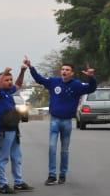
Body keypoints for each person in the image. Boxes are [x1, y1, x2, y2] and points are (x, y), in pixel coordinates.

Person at [24, 56, 97, 185]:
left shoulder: (77, 85)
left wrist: (91, 77)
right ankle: (52, 175)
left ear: (72, 73)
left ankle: (62, 174)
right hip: (54, 120)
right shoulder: (53, 82)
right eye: (63, 69)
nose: (64, 71)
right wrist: (31, 67)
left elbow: (91, 88)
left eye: (67, 70)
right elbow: (39, 79)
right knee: (52, 147)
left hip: (67, 121)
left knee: (64, 150)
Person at [0, 66, 34, 195]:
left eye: (10, 79)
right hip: (3, 130)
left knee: (16, 156)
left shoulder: (9, 92)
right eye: (6, 80)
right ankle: (3, 185)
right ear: (0, 81)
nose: (10, 82)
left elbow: (19, 84)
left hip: (13, 128)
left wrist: (22, 71)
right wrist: (3, 73)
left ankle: (18, 182)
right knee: (3, 158)